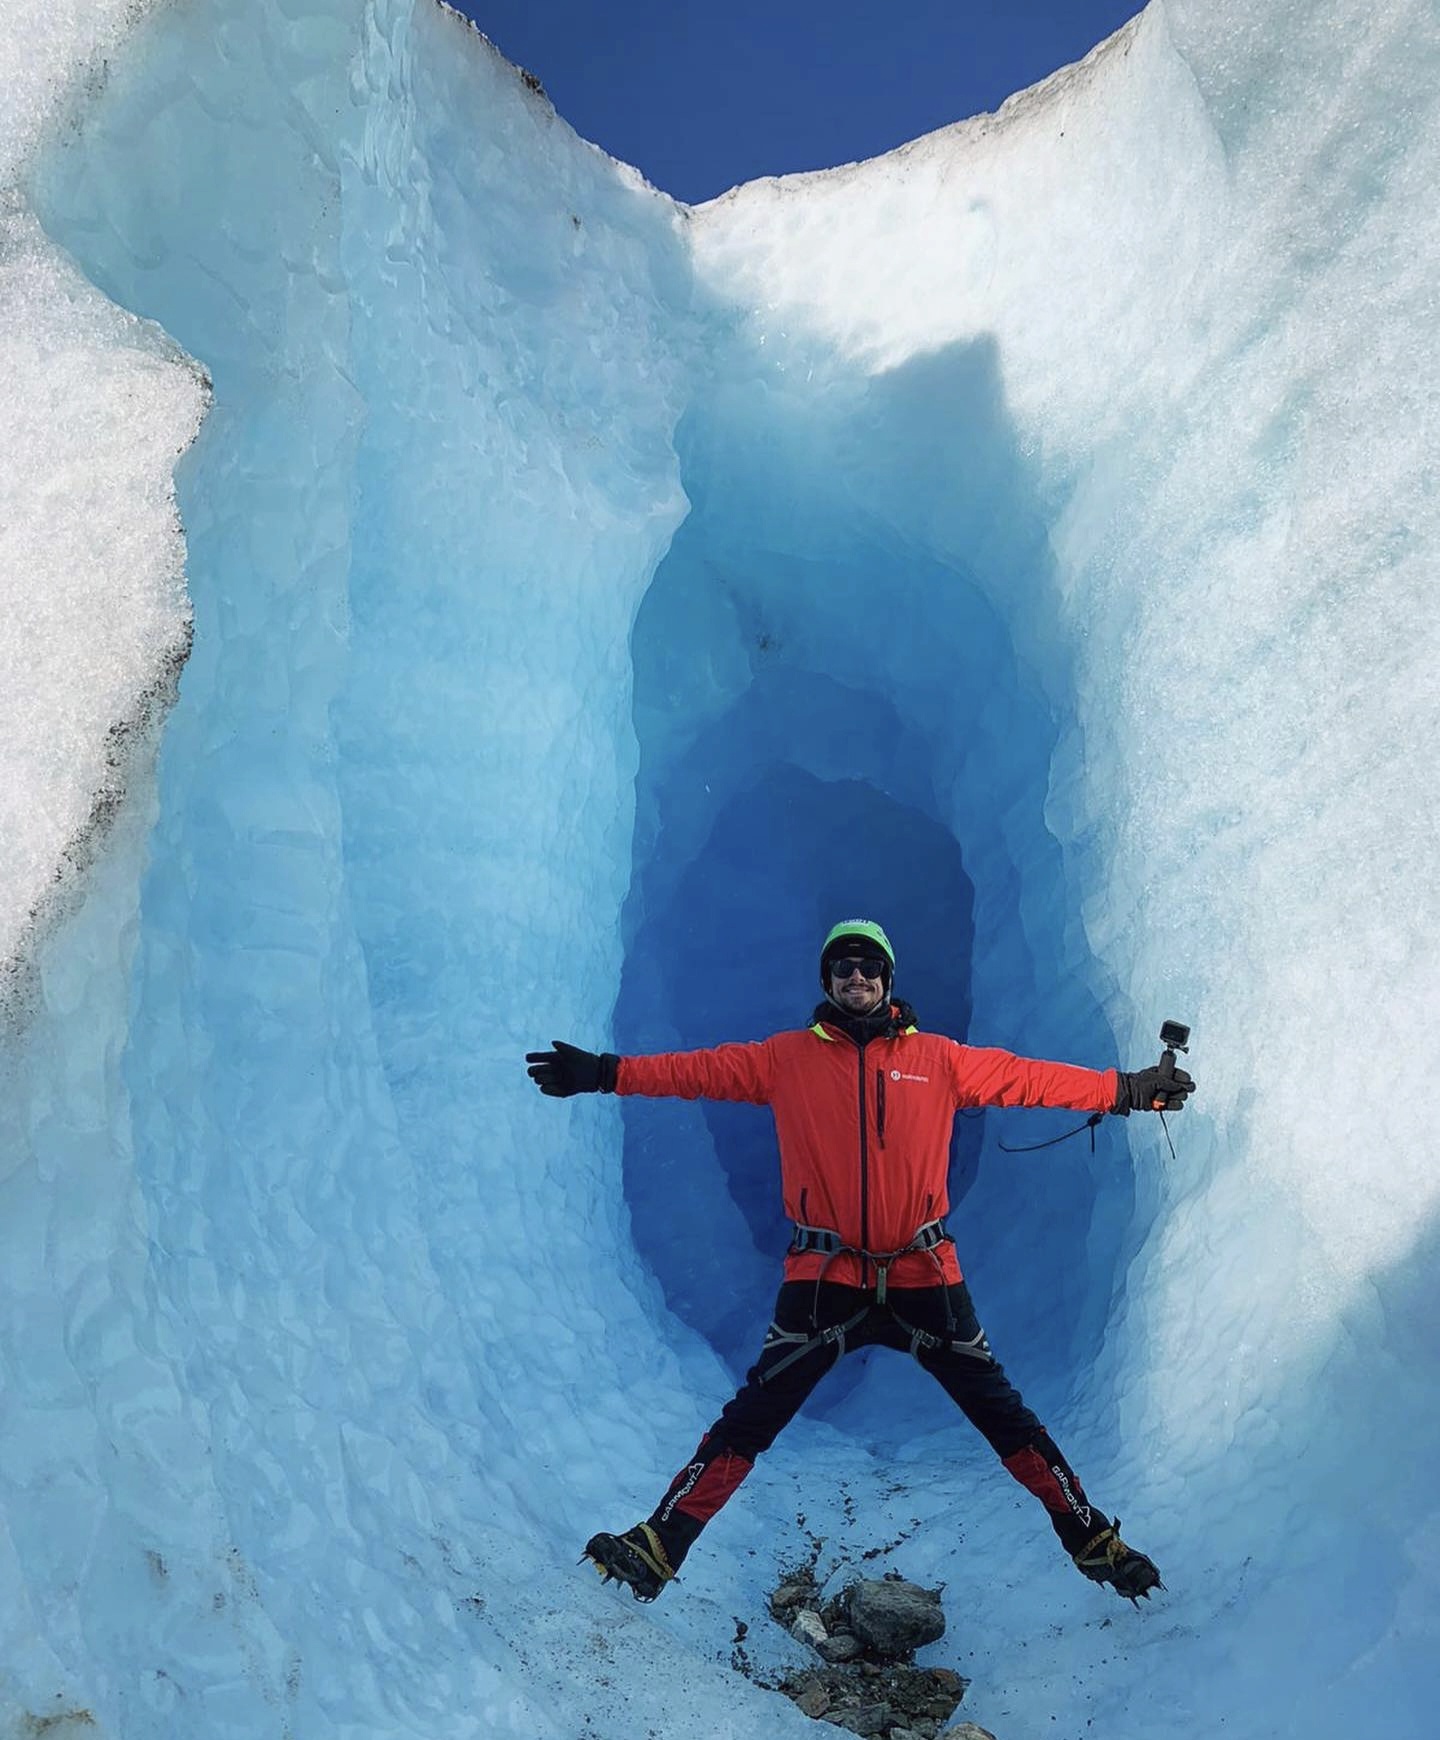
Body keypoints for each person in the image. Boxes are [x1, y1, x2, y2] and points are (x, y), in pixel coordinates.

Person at [526, 919, 1194, 1606]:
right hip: (825, 1281)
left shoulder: (941, 1059)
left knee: (1007, 1420)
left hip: (924, 1274)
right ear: (827, 981)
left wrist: (1127, 1090)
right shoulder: (784, 1059)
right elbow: (696, 1069)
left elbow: (1027, 1080)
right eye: (843, 966)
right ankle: (657, 1548)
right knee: (750, 1420)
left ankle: (1093, 1540)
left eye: (869, 966)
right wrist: (605, 1074)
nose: (856, 976)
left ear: (888, 980)